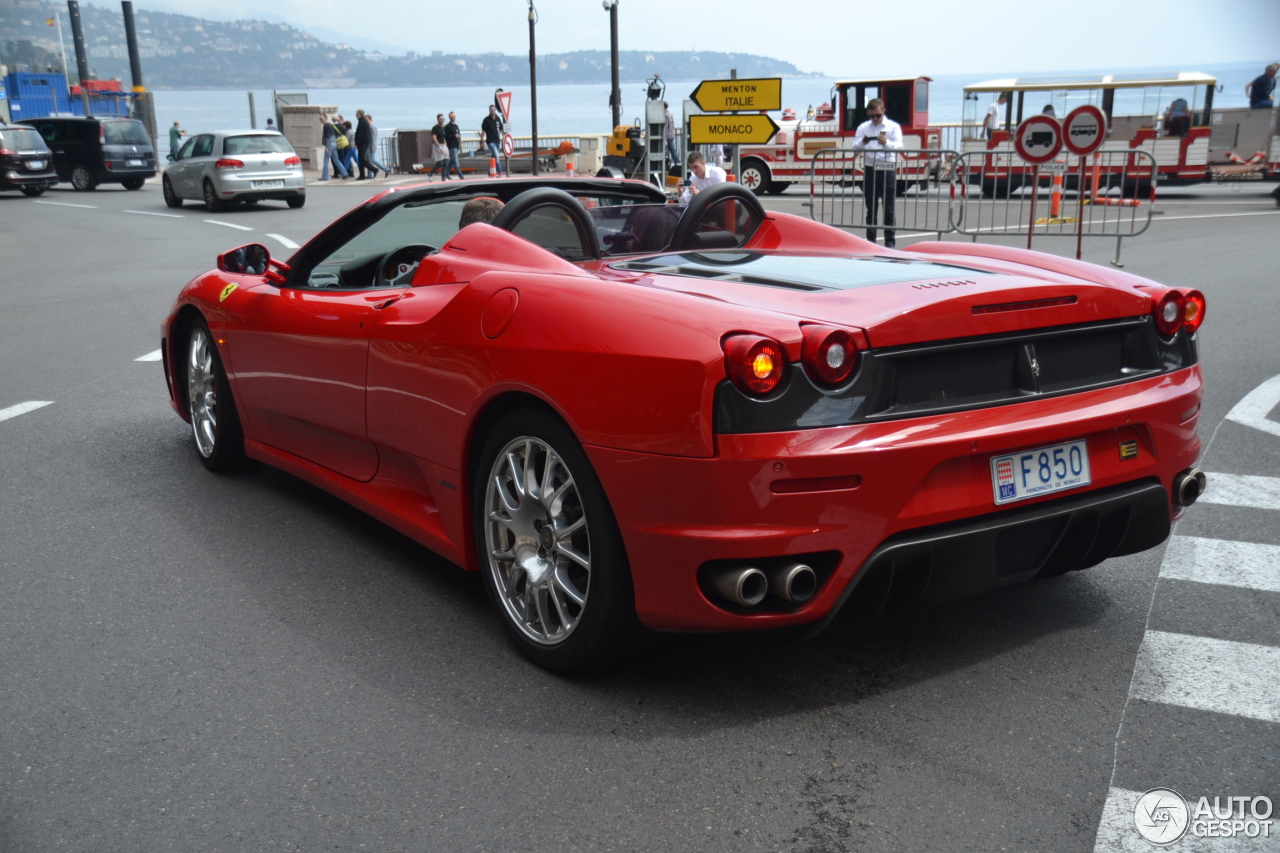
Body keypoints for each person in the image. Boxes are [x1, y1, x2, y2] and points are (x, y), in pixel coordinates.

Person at [852, 97, 903, 249]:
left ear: (883, 112)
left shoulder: (893, 126)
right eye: (871, 116)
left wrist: (886, 143)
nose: (874, 119)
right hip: (870, 168)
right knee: (871, 208)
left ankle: (889, 244)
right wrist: (863, 142)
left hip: (888, 168)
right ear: (868, 113)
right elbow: (854, 146)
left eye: (877, 116)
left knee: (888, 209)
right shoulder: (864, 127)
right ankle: (871, 243)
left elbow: (900, 147)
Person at [320, 114, 347, 181]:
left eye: (321, 119)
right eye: (320, 119)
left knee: (326, 160)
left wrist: (327, 147)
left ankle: (324, 176)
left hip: (330, 144)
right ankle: (345, 173)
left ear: (325, 118)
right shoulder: (331, 125)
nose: (320, 120)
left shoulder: (326, 126)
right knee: (336, 160)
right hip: (335, 143)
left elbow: (328, 137)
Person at [481, 104, 505, 175]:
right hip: (490, 142)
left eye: (493, 109)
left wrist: (505, 136)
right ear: (489, 110)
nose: (492, 111)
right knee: (497, 156)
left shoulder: (498, 118)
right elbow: (483, 132)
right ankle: (500, 171)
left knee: (494, 157)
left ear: (495, 110)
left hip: (497, 141)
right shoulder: (486, 120)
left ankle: (490, 171)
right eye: (491, 109)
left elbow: (501, 129)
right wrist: (481, 141)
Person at [426, 114, 451, 180]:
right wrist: (440, 147)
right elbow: (434, 138)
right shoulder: (435, 128)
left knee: (446, 161)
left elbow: (444, 137)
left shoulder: (443, 128)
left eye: (443, 119)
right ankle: (431, 173)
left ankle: (444, 177)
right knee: (440, 163)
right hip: (438, 145)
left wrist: (445, 144)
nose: (442, 120)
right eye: (441, 119)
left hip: (444, 145)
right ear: (438, 120)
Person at [365, 114, 389, 178]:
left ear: (370, 119)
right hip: (371, 145)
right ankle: (370, 175)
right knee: (369, 160)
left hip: (371, 145)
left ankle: (386, 169)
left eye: (366, 119)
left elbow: (373, 137)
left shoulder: (371, 127)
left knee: (372, 160)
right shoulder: (370, 126)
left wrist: (372, 146)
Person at [444, 111, 465, 180]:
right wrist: (454, 136)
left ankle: (446, 174)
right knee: (455, 161)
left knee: (452, 161)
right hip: (451, 145)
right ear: (449, 117)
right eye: (451, 116)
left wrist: (460, 139)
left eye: (454, 116)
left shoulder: (456, 126)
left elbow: (458, 134)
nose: (453, 118)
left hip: (456, 145)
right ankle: (460, 175)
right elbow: (447, 136)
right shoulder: (447, 127)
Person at [354, 109, 372, 179]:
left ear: (360, 114)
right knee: (361, 159)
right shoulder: (363, 121)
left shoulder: (362, 122)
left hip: (362, 143)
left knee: (362, 159)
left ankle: (373, 169)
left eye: (357, 114)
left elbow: (360, 133)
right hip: (364, 142)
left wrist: (357, 142)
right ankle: (362, 175)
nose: (356, 116)